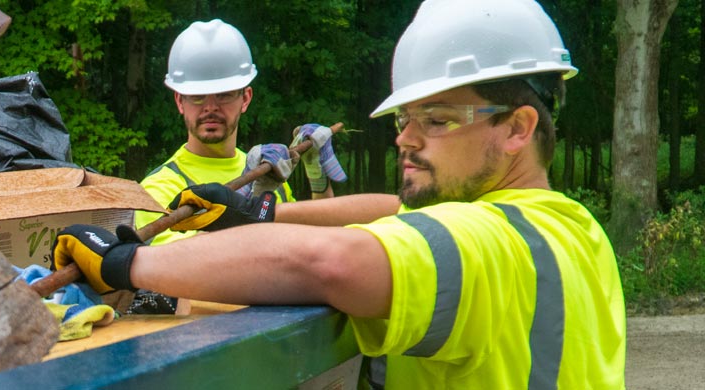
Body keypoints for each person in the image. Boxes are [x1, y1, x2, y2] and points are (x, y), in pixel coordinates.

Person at [52, 0, 624, 388]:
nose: (405, 138)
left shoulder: (489, 241)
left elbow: (332, 263)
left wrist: (127, 262)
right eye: (405, 117)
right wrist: (263, 212)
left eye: (438, 119)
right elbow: (395, 211)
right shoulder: (572, 227)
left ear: (518, 128)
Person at [135, 19, 347, 248]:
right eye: (197, 96)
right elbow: (178, 267)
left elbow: (320, 247)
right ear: (179, 101)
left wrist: (317, 177)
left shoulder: (270, 174)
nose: (210, 107)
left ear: (245, 98)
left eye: (224, 94)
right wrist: (251, 201)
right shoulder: (156, 191)